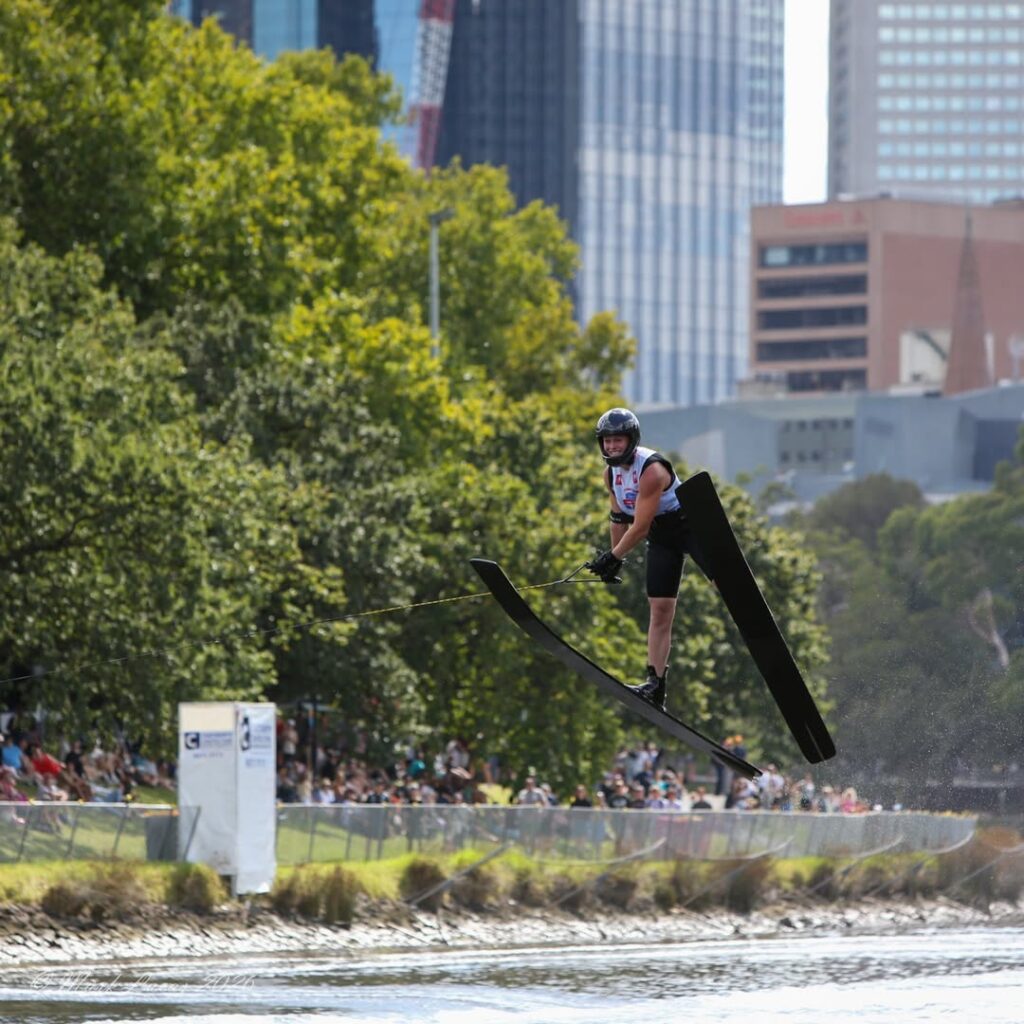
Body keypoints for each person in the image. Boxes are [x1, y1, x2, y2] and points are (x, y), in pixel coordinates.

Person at [588, 407, 709, 708]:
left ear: (632, 439)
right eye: (607, 441)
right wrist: (616, 562)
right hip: (662, 536)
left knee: (724, 585)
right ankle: (655, 685)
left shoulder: (652, 470)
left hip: (691, 526)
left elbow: (639, 527)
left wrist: (613, 556)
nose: (612, 446)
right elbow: (619, 518)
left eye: (618, 440)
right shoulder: (610, 474)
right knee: (660, 610)